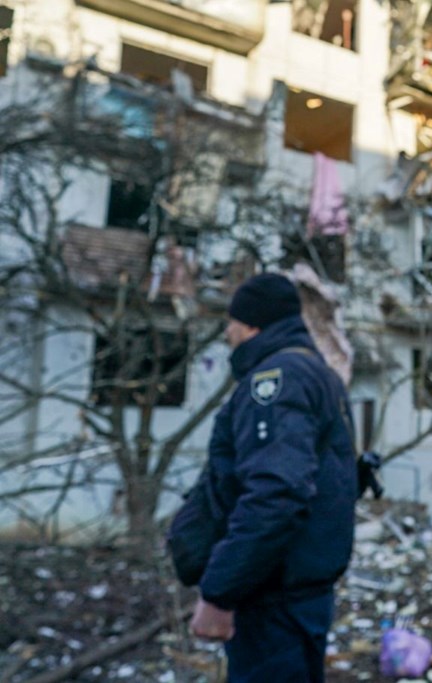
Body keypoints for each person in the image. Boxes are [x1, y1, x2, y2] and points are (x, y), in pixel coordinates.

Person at [177, 273, 357, 683]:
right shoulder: (318, 373)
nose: (227, 333)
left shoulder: (277, 379)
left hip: (272, 601)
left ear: (253, 324)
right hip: (298, 594)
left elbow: (277, 494)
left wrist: (219, 593)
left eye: (232, 322)